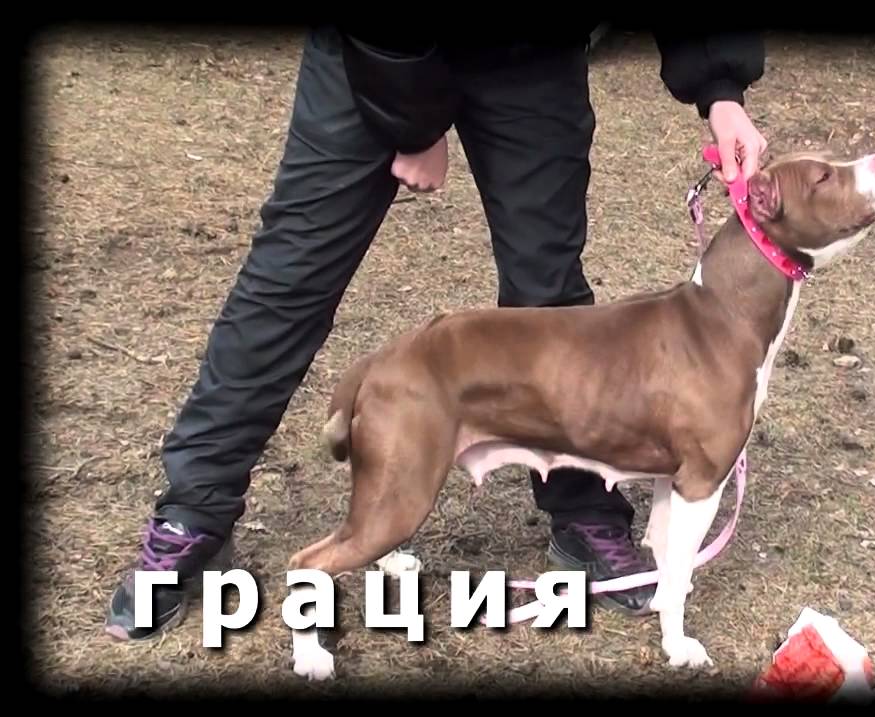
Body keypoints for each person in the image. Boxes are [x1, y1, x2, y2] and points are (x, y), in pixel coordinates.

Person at [104, 26, 768, 641]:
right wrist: (413, 118)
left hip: (531, 53)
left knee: (548, 296)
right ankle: (196, 509)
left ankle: (581, 507)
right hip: (374, 50)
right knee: (289, 282)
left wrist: (720, 86)